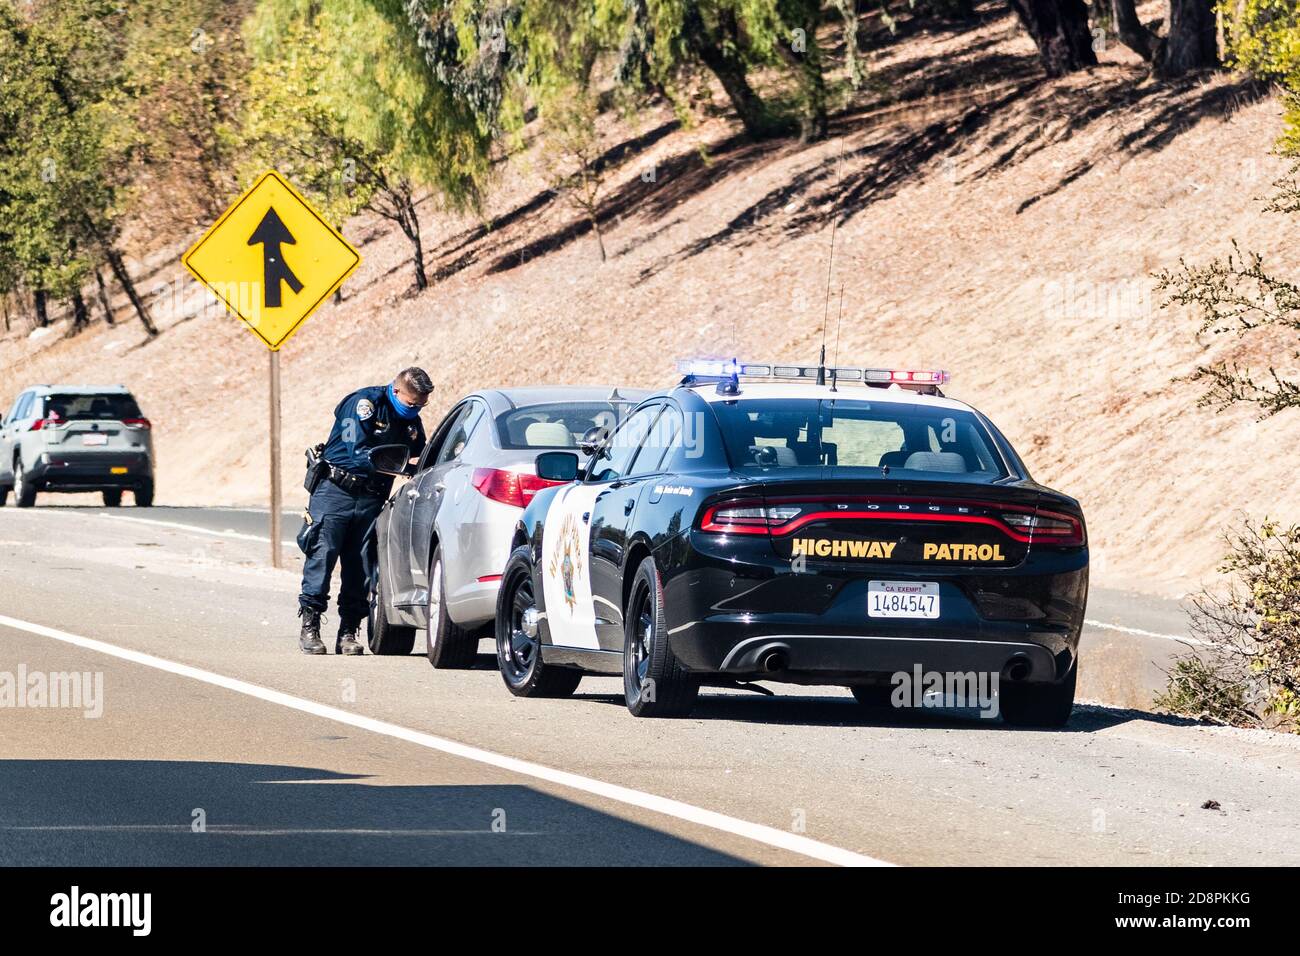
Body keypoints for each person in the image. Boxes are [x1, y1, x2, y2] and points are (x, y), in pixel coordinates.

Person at [298, 367, 432, 655]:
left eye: (421, 405)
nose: (416, 409)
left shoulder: (409, 419)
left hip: (371, 498)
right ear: (396, 391)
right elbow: (353, 451)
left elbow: (420, 448)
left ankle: (348, 631)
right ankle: (311, 627)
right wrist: (399, 467)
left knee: (361, 566)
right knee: (322, 556)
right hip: (336, 492)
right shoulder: (363, 404)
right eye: (412, 403)